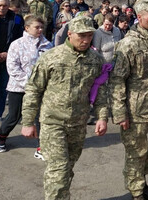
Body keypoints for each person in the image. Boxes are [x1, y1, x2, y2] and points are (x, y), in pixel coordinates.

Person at [21, 16, 108, 199]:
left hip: (78, 123)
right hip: (53, 122)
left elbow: (100, 91)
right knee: (59, 169)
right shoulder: (52, 57)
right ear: (69, 34)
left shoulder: (96, 60)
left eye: (89, 36)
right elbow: (34, 89)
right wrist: (28, 121)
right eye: (81, 36)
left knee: (67, 168)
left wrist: (102, 117)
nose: (85, 40)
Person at [109, 3, 148, 200]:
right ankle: (137, 191)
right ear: (139, 16)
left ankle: (134, 175)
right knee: (136, 152)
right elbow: (117, 80)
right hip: (136, 109)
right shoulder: (128, 44)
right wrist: (120, 112)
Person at [0, 15, 52, 158]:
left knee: (41, 117)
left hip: (41, 88)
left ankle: (41, 147)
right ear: (27, 28)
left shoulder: (47, 45)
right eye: (36, 27)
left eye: (41, 27)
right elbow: (12, 67)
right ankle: (0, 138)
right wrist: (28, 83)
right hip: (19, 87)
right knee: (15, 115)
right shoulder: (17, 44)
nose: (40, 30)